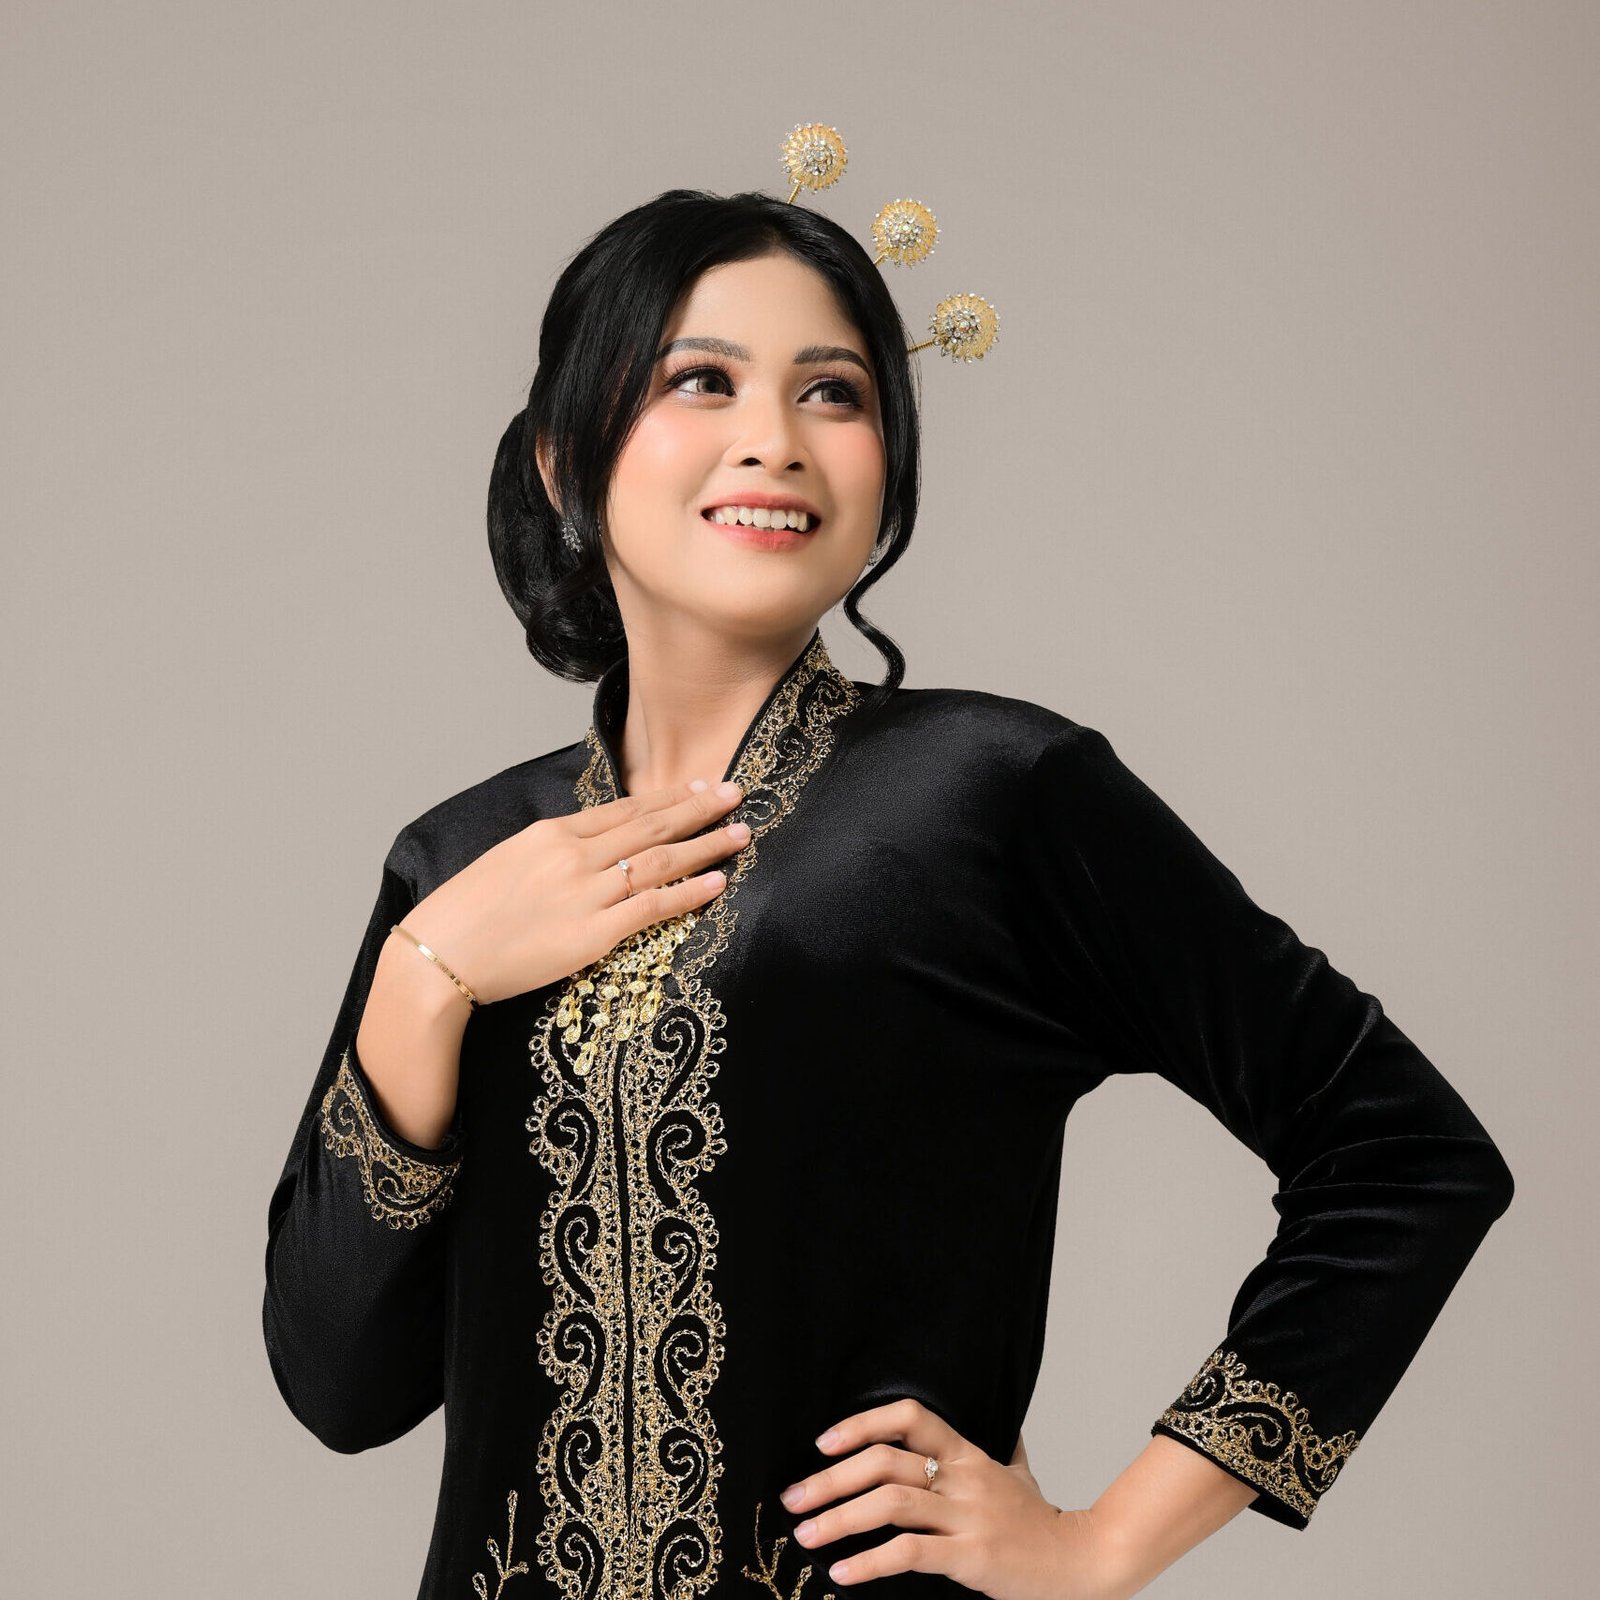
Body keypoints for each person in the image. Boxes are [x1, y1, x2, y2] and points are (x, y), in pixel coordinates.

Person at [261, 188, 1514, 1600]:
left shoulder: (991, 794)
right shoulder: (459, 865)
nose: (776, 440)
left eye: (834, 393)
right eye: (701, 380)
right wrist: (422, 977)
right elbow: (339, 1384)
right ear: (564, 458)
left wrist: (1103, 1543)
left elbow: (1406, 1155)